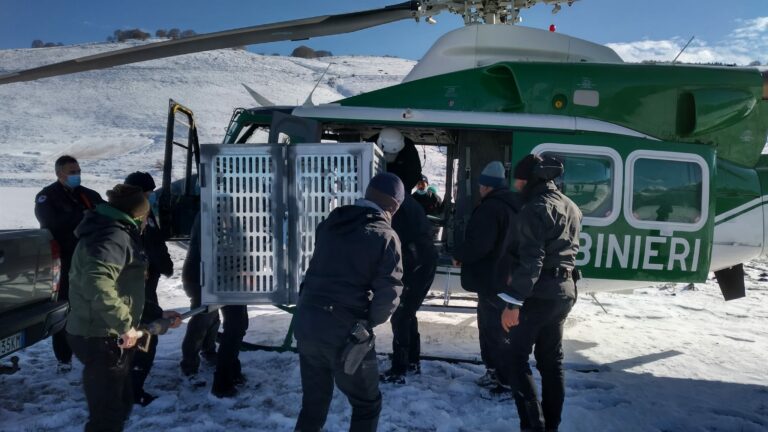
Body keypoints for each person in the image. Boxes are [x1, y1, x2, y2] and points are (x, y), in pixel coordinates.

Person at [293, 173, 404, 432]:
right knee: (367, 404)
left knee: (313, 404)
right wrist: (367, 323)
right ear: (393, 206)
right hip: (344, 332)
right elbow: (388, 296)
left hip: (307, 321)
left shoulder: (331, 223)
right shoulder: (385, 235)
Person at [498, 155, 582, 432]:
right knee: (551, 361)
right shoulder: (570, 206)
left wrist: (513, 302)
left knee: (515, 358)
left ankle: (533, 426)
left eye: (519, 180)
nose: (516, 185)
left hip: (539, 294)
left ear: (530, 180)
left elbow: (532, 260)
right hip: (564, 291)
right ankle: (551, 426)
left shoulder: (534, 208)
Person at [65, 184, 150, 432]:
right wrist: (124, 324)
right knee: (107, 417)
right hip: (100, 336)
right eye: (146, 215)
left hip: (106, 333)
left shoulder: (112, 229)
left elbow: (124, 286)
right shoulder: (112, 236)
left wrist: (156, 312)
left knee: (120, 404)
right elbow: (96, 281)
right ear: (138, 215)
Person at [451, 161, 523, 394]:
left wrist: (459, 254)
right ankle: (495, 373)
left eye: (481, 185)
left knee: (494, 332)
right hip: (505, 278)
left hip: (492, 279)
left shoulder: (491, 208)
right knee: (496, 331)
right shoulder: (514, 205)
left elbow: (479, 245)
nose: (480, 189)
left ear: (486, 186)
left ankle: (504, 381)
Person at [35, 155, 104, 372]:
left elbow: (106, 215)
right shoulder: (47, 196)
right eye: (72, 172)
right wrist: (82, 216)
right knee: (65, 309)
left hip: (91, 261)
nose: (77, 175)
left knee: (93, 307)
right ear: (59, 174)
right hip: (64, 263)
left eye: (78, 171)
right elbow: (51, 223)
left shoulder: (89, 195)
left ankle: (91, 351)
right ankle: (64, 358)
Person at [124, 172, 180, 406]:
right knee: (144, 336)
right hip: (136, 288)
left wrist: (165, 266)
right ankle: (132, 390)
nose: (152, 196)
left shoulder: (144, 214)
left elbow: (157, 243)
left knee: (140, 335)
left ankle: (129, 386)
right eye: (149, 192)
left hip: (146, 285)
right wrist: (164, 265)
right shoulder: (131, 219)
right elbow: (151, 248)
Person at [380, 191, 438, 384]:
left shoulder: (398, 207)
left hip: (416, 263)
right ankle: (412, 361)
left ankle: (400, 368)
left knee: (401, 315)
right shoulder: (408, 202)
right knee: (407, 313)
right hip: (423, 261)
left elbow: (393, 239)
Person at [179, 212, 221, 385]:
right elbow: (211, 247)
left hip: (207, 275)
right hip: (199, 276)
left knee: (213, 318)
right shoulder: (208, 214)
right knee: (201, 321)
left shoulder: (210, 212)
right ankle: (189, 365)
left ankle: (209, 351)